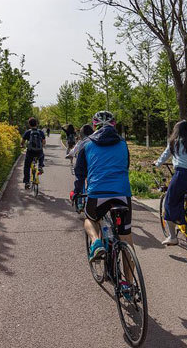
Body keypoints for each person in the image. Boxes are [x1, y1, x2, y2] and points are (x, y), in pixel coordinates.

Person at [70, 111, 133, 263]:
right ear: (114, 125)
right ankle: (128, 284)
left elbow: (80, 173)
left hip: (98, 192)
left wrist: (77, 192)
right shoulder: (123, 143)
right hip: (123, 193)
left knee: (90, 219)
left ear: (94, 126)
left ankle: (96, 242)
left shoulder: (87, 144)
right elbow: (126, 165)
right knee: (126, 238)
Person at [154, 120, 187, 246]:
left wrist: (157, 163)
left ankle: (172, 237)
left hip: (182, 177)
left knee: (169, 202)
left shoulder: (175, 142)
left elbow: (165, 156)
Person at [22, 117, 46, 189]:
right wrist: (42, 146)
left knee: (26, 166)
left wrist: (22, 146)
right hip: (39, 152)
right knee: (42, 155)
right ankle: (40, 166)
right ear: (36, 124)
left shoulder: (27, 132)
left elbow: (22, 142)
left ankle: (27, 182)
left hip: (30, 153)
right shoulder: (41, 132)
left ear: (29, 124)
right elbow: (44, 142)